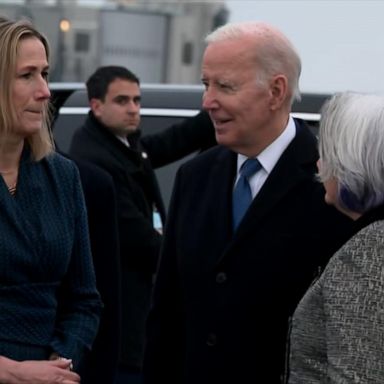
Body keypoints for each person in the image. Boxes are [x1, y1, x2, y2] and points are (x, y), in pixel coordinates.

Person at [142, 21, 358, 384]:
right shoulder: (194, 177)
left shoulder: (336, 185)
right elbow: (167, 313)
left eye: (224, 86)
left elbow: (346, 330)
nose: (207, 102)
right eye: (205, 84)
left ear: (276, 91)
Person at [68, 65, 216, 383]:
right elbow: (137, 238)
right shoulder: (95, 162)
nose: (133, 109)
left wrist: (214, 113)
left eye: (137, 100)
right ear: (96, 105)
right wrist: (195, 264)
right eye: (122, 101)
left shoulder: (121, 144)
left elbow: (167, 144)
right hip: (119, 322)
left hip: (133, 319)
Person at [0, 16, 101, 383]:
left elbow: (84, 300)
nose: (44, 91)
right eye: (27, 75)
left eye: (45, 73)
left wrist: (61, 364)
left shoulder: (62, 175)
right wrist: (13, 373)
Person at [286, 92, 384, 383]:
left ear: (351, 163)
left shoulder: (369, 250)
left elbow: (358, 373)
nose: (318, 164)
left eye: (326, 152)